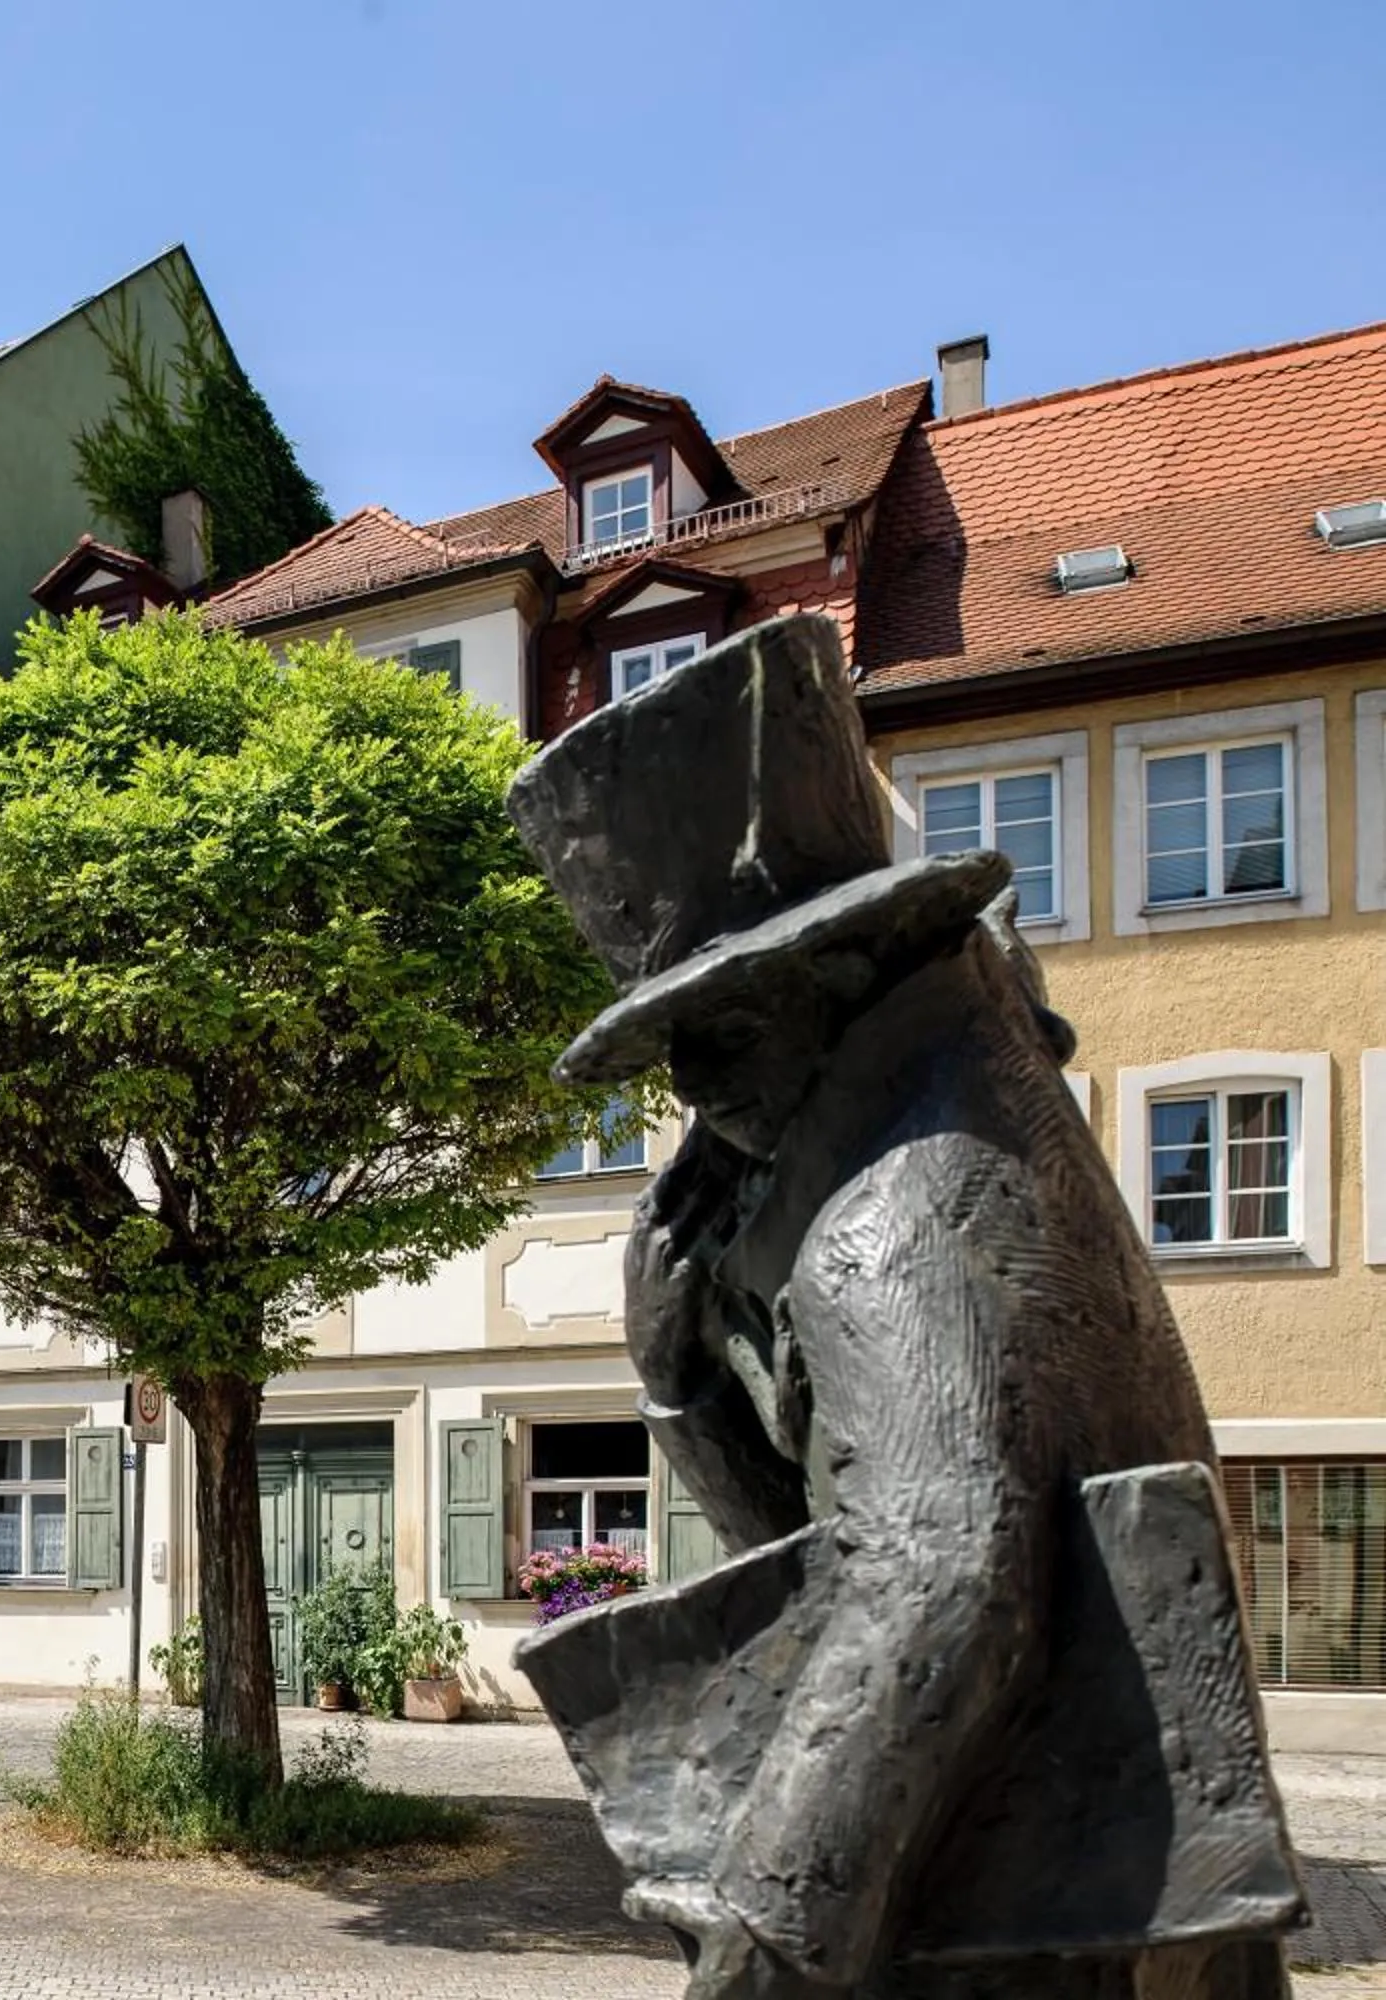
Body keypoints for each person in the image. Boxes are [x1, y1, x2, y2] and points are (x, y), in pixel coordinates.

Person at [506, 616, 1297, 1999]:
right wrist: (686, 1389)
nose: (691, 1090)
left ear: (830, 970)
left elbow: (936, 1580)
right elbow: (842, 1554)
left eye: (712, 1029)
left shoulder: (894, 1216)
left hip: (1024, 1938)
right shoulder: (993, 1126)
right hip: (1087, 1898)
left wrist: (757, 1950)